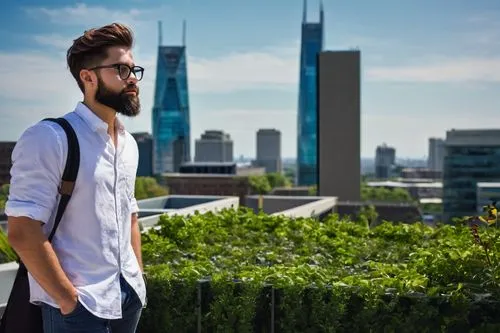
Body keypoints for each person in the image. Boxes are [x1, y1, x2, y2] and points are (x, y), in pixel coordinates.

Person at [5, 22, 147, 333]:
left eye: (134, 70)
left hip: (127, 298)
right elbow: (22, 230)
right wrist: (68, 300)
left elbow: (130, 214)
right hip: (79, 306)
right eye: (121, 70)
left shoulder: (128, 144)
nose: (133, 79)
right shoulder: (50, 138)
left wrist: (138, 276)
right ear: (88, 77)